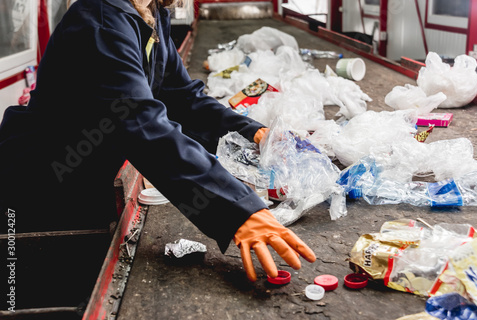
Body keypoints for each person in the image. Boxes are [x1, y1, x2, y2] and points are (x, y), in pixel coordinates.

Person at [0, 0, 315, 282]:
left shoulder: (150, 14)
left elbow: (183, 98)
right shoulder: (100, 22)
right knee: (40, 284)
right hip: (42, 185)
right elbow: (140, 122)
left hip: (86, 176)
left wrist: (254, 132)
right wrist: (238, 210)